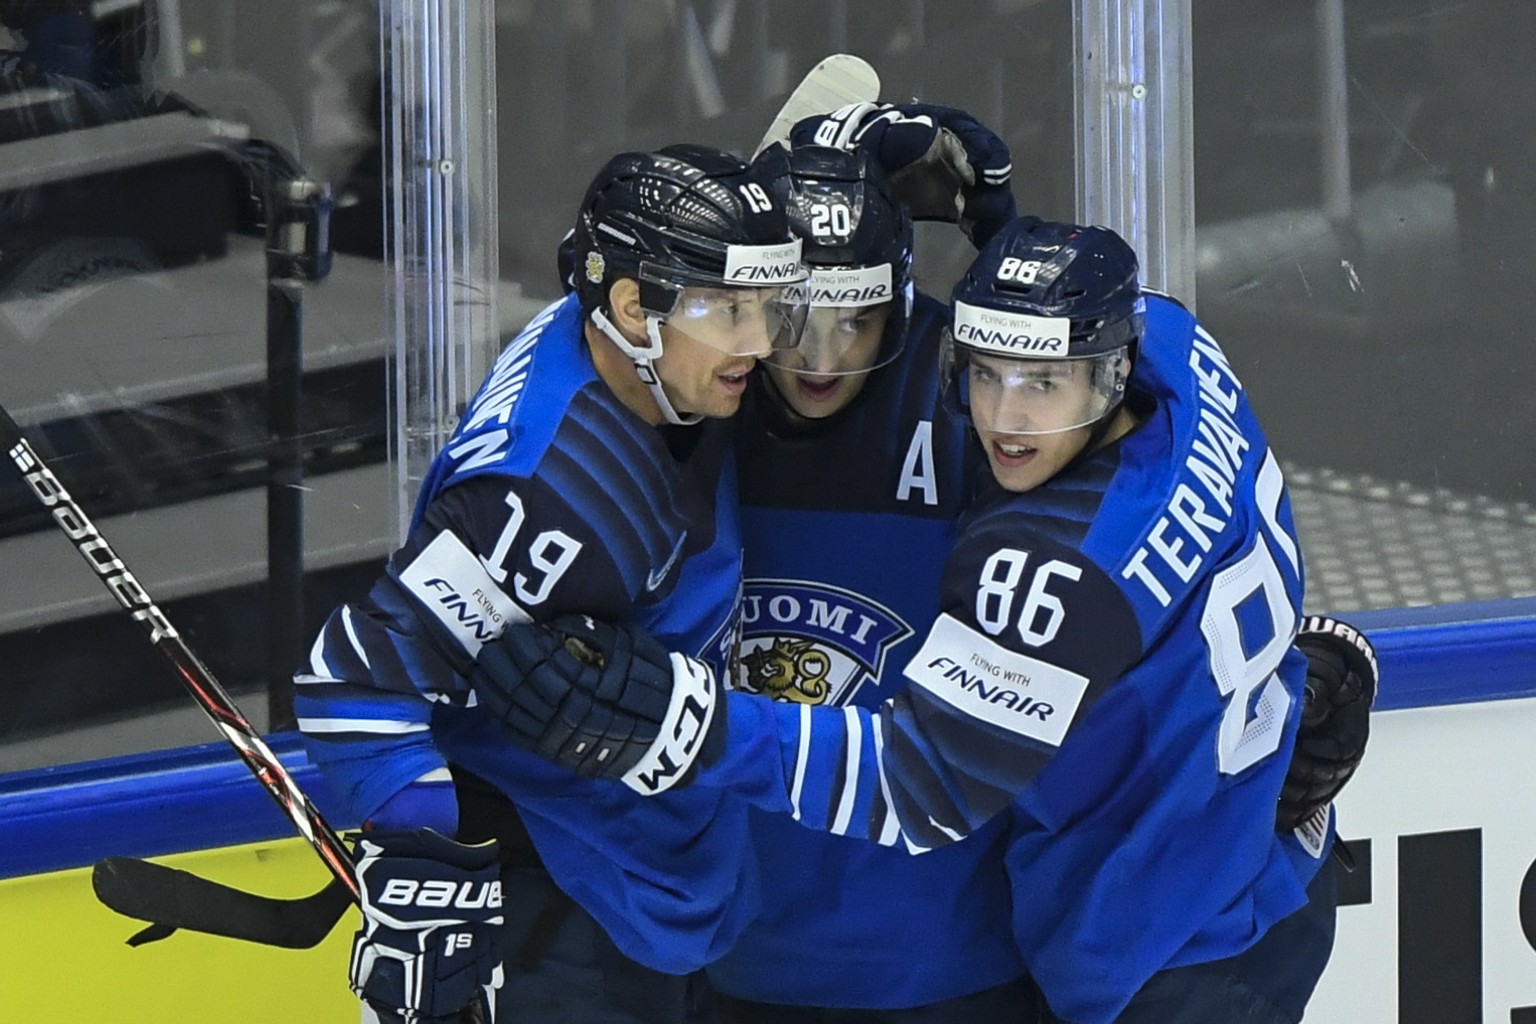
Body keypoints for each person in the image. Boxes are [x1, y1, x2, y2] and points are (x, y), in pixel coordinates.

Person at [467, 214, 1378, 1024]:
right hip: (1267, 850)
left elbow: (920, 786)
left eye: (1044, 383)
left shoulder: (1050, 570)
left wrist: (679, 717)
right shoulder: (1183, 350)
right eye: (987, 374)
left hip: (1177, 945)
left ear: (1110, 372)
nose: (1006, 418)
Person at [293, 143, 809, 1024]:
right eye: (729, 311)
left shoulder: (614, 334)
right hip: (575, 904)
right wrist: (425, 872)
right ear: (630, 309)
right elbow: (352, 682)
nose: (759, 345)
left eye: (767, 306)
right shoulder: (554, 498)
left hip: (655, 873)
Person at [706, 137, 1033, 1021]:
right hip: (734, 952)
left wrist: (1019, 249)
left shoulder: (970, 385)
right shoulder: (690, 396)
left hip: (952, 957)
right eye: (796, 320)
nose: (820, 360)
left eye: (856, 321)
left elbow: (1141, 426)